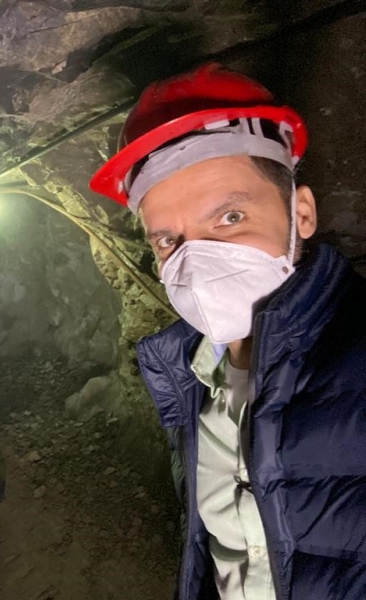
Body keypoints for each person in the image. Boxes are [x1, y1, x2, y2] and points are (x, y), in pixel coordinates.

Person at [90, 63, 366, 599]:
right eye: (169, 240)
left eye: (230, 217)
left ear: (301, 213)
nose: (197, 260)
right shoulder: (190, 380)